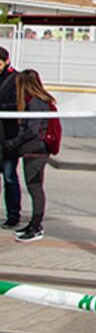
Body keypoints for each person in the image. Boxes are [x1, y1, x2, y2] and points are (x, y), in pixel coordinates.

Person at [2, 70, 56, 243]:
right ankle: (33, 224)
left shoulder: (34, 102)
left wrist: (14, 143)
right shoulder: (38, 100)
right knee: (35, 188)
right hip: (34, 150)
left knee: (35, 188)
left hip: (35, 151)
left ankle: (36, 226)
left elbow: (32, 129)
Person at [0, 47, 21, 229]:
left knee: (9, 177)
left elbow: (18, 103)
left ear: (6, 61)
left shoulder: (16, 79)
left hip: (9, 136)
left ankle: (13, 214)